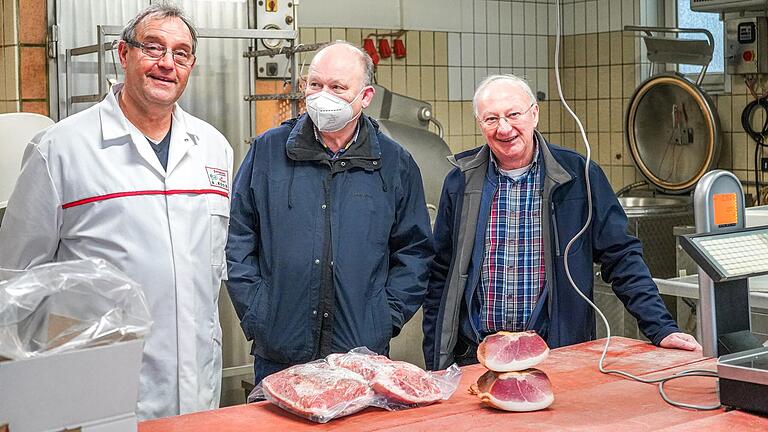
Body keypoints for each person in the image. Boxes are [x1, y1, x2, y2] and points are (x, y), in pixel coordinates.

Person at [0, 5, 233, 419]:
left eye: (181, 54)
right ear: (123, 54)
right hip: (95, 389)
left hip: (198, 387)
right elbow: (16, 285)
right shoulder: (60, 149)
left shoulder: (214, 149)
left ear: (191, 66)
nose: (167, 64)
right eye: (153, 47)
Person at [422, 74, 700, 371]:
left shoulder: (579, 176)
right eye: (491, 119)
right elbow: (440, 274)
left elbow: (622, 258)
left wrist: (662, 328)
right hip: (476, 356)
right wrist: (436, 360)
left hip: (558, 354)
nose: (504, 128)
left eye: (514, 114)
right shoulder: (461, 181)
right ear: (480, 123)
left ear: (534, 113)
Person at [226, 41, 433, 385]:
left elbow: (414, 252)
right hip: (279, 354)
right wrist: (258, 313)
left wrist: (385, 317)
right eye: (315, 85)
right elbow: (238, 238)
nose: (323, 96)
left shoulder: (395, 163)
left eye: (338, 88)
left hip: (360, 356)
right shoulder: (268, 151)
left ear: (365, 96)